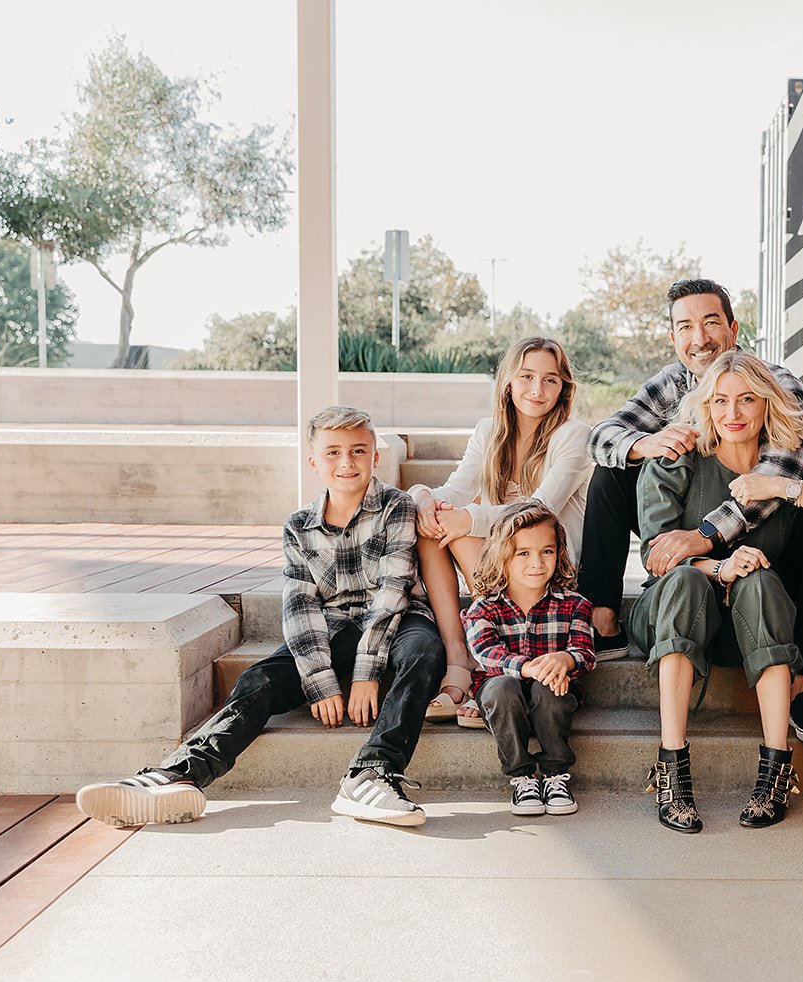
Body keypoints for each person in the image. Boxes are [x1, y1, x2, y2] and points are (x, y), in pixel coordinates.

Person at [76, 405, 445, 828]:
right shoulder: (299, 525)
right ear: (313, 462)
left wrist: (365, 673)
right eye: (333, 453)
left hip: (397, 620)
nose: (346, 463)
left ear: (375, 456)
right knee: (258, 679)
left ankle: (372, 774)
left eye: (359, 451)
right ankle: (177, 775)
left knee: (424, 650)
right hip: (335, 626)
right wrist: (320, 680)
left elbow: (392, 593)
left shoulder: (396, 507)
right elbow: (301, 606)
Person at [581, 279, 803, 745]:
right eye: (685, 326)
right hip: (686, 519)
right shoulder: (670, 383)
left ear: (733, 327)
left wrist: (703, 536)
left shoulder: (771, 380)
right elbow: (601, 436)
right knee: (610, 474)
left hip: (769, 537)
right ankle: (604, 622)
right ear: (672, 337)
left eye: (710, 322)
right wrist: (647, 443)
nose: (699, 337)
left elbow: (776, 473)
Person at [628, 353, 803, 833]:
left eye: (746, 399)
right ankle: (671, 770)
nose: (732, 412)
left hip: (753, 624)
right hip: (672, 615)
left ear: (767, 405)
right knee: (684, 578)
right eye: (720, 400)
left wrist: (783, 488)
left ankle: (776, 770)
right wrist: (720, 566)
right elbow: (656, 557)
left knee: (760, 580)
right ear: (706, 405)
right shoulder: (677, 459)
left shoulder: (788, 462)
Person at [411, 337, 591, 728]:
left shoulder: (573, 434)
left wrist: (469, 519)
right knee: (434, 526)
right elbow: (453, 490)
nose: (537, 390)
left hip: (550, 562)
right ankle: (460, 657)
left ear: (563, 388)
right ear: (508, 381)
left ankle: (491, 671)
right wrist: (422, 497)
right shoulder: (489, 430)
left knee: (459, 528)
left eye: (550, 380)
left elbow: (539, 511)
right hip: (501, 566)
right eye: (526, 377)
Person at [462, 500, 596, 816]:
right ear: (502, 556)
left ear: (558, 552)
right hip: (503, 693)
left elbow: (585, 652)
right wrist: (527, 667)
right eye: (523, 553)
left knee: (551, 685)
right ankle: (522, 776)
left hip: (553, 691)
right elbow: (485, 653)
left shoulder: (574, 604)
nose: (536, 562)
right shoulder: (484, 607)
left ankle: (555, 773)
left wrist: (565, 660)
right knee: (501, 687)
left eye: (546, 551)